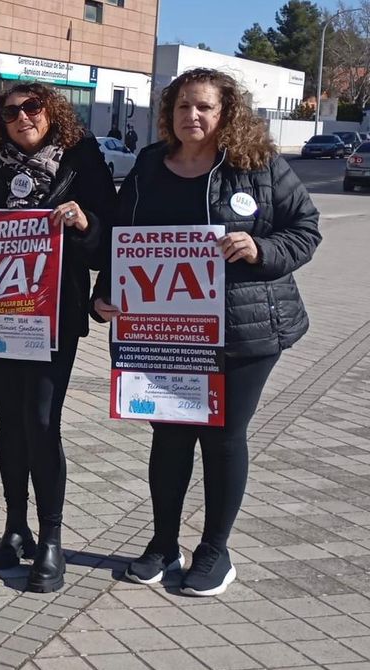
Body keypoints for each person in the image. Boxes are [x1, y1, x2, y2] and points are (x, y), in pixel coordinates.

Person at [92, 68, 321, 596]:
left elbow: (306, 229)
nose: (191, 116)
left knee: (221, 439)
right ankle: (163, 544)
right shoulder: (151, 164)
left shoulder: (257, 165)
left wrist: (261, 249)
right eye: (181, 107)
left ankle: (215, 551)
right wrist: (104, 293)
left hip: (243, 329)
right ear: (168, 113)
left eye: (204, 107)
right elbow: (124, 238)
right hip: (163, 329)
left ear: (225, 114)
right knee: (168, 437)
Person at [0, 82, 118, 592]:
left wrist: (85, 224)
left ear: (50, 111)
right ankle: (14, 526)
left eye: (32, 107)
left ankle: (51, 539)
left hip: (53, 319)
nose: (22, 117)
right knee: (8, 424)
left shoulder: (82, 161)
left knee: (41, 422)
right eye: (11, 111)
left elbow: (112, 234)